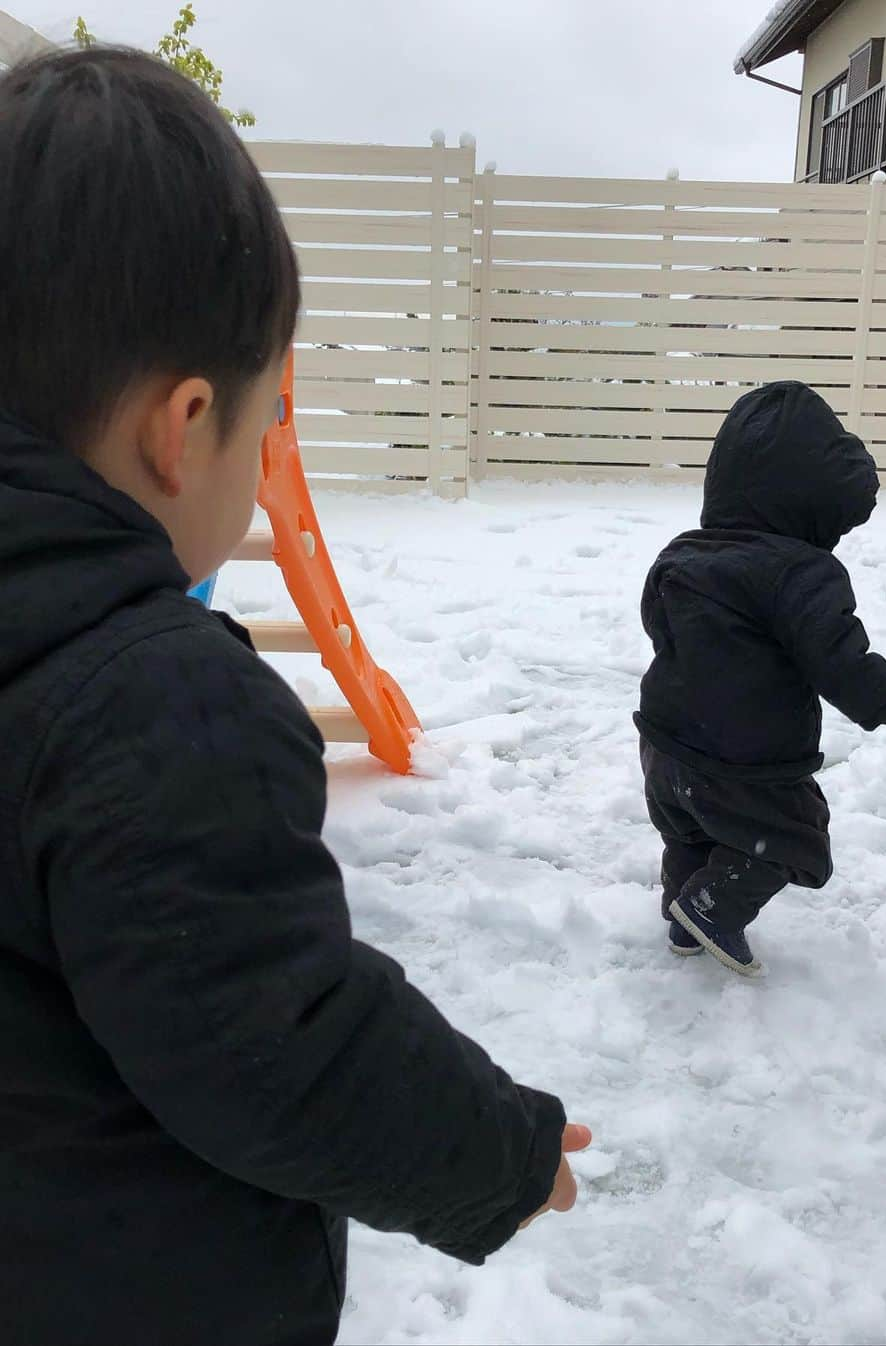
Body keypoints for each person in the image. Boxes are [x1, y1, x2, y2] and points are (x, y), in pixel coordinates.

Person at [0, 48, 587, 1346]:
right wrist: (499, 1152)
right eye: (267, 428)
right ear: (183, 423)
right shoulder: (156, 708)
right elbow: (286, 1047)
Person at [636, 382, 886, 975]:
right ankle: (711, 909)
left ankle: (683, 914)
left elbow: (657, 624)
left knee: (691, 833)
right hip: (744, 762)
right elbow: (837, 657)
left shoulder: (684, 552)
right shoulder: (803, 572)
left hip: (664, 747)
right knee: (794, 840)